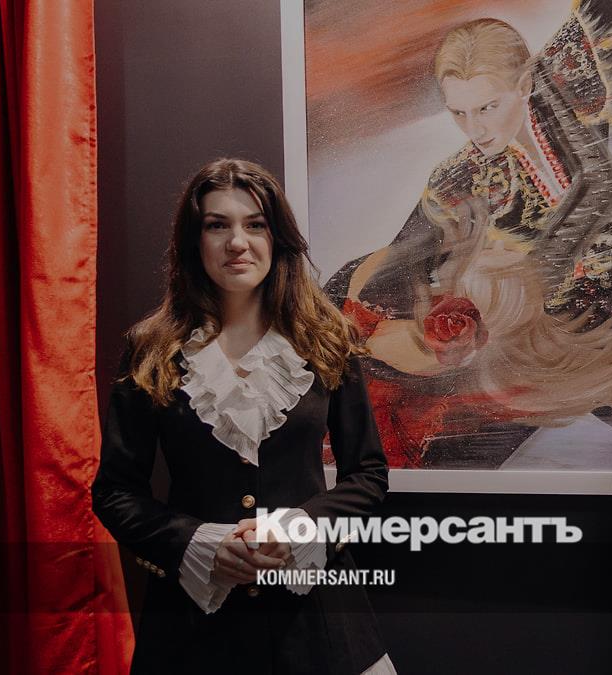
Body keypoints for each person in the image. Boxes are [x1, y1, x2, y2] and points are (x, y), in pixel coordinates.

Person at [92, 159, 396, 674]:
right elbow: (115, 492)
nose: (238, 242)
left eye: (255, 224)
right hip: (193, 633)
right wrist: (198, 543)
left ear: (277, 238)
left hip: (318, 626)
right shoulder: (151, 349)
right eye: (217, 225)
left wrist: (304, 527)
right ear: (194, 241)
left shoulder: (328, 341)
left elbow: (368, 474)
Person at [323, 6, 612, 468]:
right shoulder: (462, 174)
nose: (475, 129)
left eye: (487, 108)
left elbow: (599, 181)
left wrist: (532, 277)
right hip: (535, 333)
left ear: (524, 85)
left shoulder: (567, 70)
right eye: (458, 113)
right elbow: (396, 270)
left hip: (572, 314)